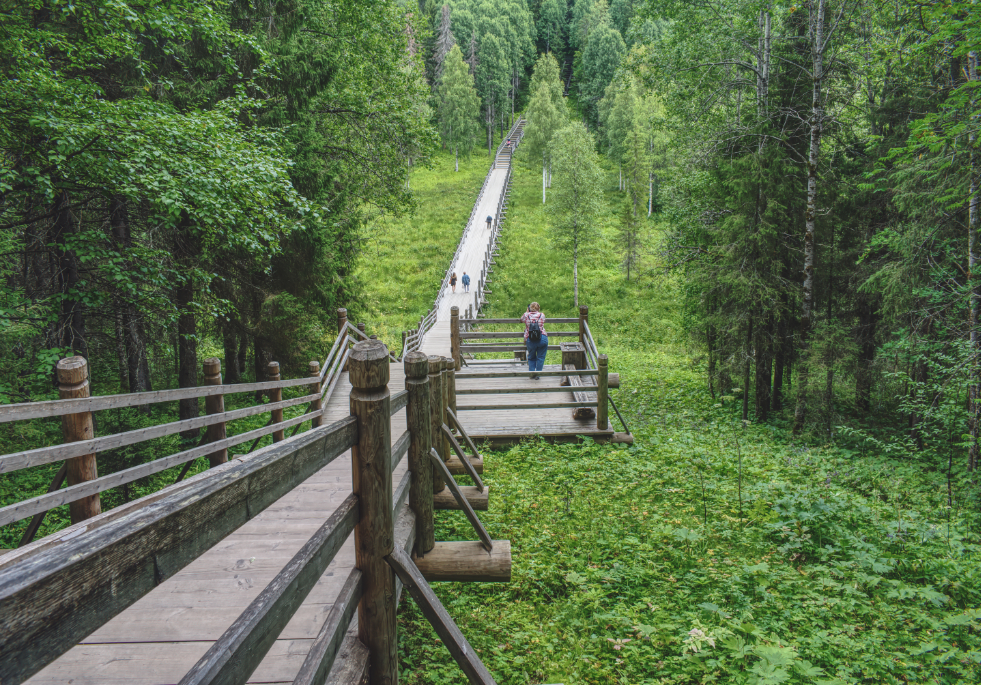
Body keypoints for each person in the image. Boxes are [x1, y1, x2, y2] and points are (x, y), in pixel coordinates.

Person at [521, 302, 548, 378]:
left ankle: (532, 374)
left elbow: (521, 319)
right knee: (541, 357)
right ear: (538, 308)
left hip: (530, 338)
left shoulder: (526, 315)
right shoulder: (542, 315)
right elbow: (543, 321)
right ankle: (538, 375)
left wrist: (527, 312)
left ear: (529, 308)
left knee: (531, 357)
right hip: (542, 337)